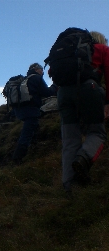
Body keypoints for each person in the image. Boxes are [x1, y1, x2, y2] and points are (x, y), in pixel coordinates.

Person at [58, 31, 109, 192]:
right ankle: (83, 158)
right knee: (97, 133)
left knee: (70, 140)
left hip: (63, 94)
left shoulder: (68, 51)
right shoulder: (102, 49)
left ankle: (69, 185)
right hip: (89, 89)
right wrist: (108, 103)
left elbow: (53, 73)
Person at [12, 63, 58, 163]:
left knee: (30, 128)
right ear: (36, 69)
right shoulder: (36, 78)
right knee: (27, 132)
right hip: (31, 110)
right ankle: (18, 157)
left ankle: (29, 147)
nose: (42, 72)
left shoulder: (25, 79)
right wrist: (55, 86)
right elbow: (47, 92)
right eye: (41, 69)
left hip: (20, 110)